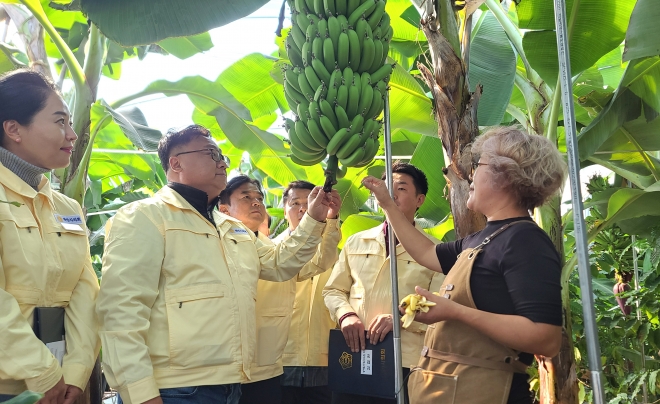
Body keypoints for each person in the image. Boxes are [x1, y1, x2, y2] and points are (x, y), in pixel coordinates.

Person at [96, 125, 335, 404]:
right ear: (176, 163)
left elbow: (281, 263)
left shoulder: (232, 227)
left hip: (230, 386)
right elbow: (121, 312)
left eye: (222, 155)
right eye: (211, 153)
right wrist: (139, 394)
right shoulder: (145, 217)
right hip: (175, 389)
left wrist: (315, 218)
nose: (222, 162)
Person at [362, 126, 567, 404]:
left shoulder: (525, 240)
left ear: (505, 176)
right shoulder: (485, 237)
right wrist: (388, 204)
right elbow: (427, 252)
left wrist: (454, 312)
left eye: (478, 164)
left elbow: (545, 338)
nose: (470, 174)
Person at [0, 69, 100, 404]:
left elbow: (86, 293)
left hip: (61, 384)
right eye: (60, 121)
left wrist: (75, 372)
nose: (72, 135)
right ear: (13, 129)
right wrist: (42, 373)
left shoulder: (67, 206)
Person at [323, 163, 445, 404]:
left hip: (406, 360)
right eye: (387, 187)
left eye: (400, 188)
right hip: (355, 354)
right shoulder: (356, 242)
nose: (391, 194)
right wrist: (346, 315)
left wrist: (399, 319)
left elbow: (439, 301)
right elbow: (333, 289)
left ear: (419, 200)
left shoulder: (435, 251)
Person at [217, 176, 341, 404]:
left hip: (268, 361)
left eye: (259, 198)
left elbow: (316, 263)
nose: (256, 202)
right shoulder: (219, 245)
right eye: (246, 197)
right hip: (230, 360)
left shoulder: (271, 250)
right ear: (224, 210)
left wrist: (330, 222)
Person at [278, 181, 342, 404]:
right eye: (295, 203)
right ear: (284, 209)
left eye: (310, 203)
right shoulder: (271, 251)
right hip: (279, 360)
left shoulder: (335, 253)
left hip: (325, 358)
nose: (303, 209)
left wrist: (331, 219)